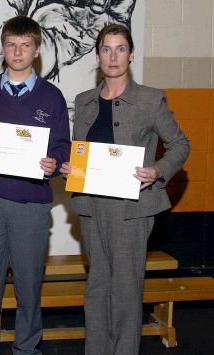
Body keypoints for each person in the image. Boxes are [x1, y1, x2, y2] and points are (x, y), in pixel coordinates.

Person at [60, 24, 189, 355]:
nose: (113, 56)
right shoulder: (84, 101)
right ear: (98, 54)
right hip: (91, 208)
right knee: (97, 287)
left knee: (126, 290)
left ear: (131, 55)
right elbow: (80, 152)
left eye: (120, 49)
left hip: (131, 211)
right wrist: (70, 170)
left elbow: (180, 143)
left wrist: (158, 170)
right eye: (106, 48)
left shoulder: (149, 99)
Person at [0, 16, 71, 355]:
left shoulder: (52, 97)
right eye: (11, 44)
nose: (18, 51)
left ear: (36, 50)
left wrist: (53, 163)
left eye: (25, 45)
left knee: (28, 283)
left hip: (32, 204)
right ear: (2, 47)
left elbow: (62, 146)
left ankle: (26, 347)